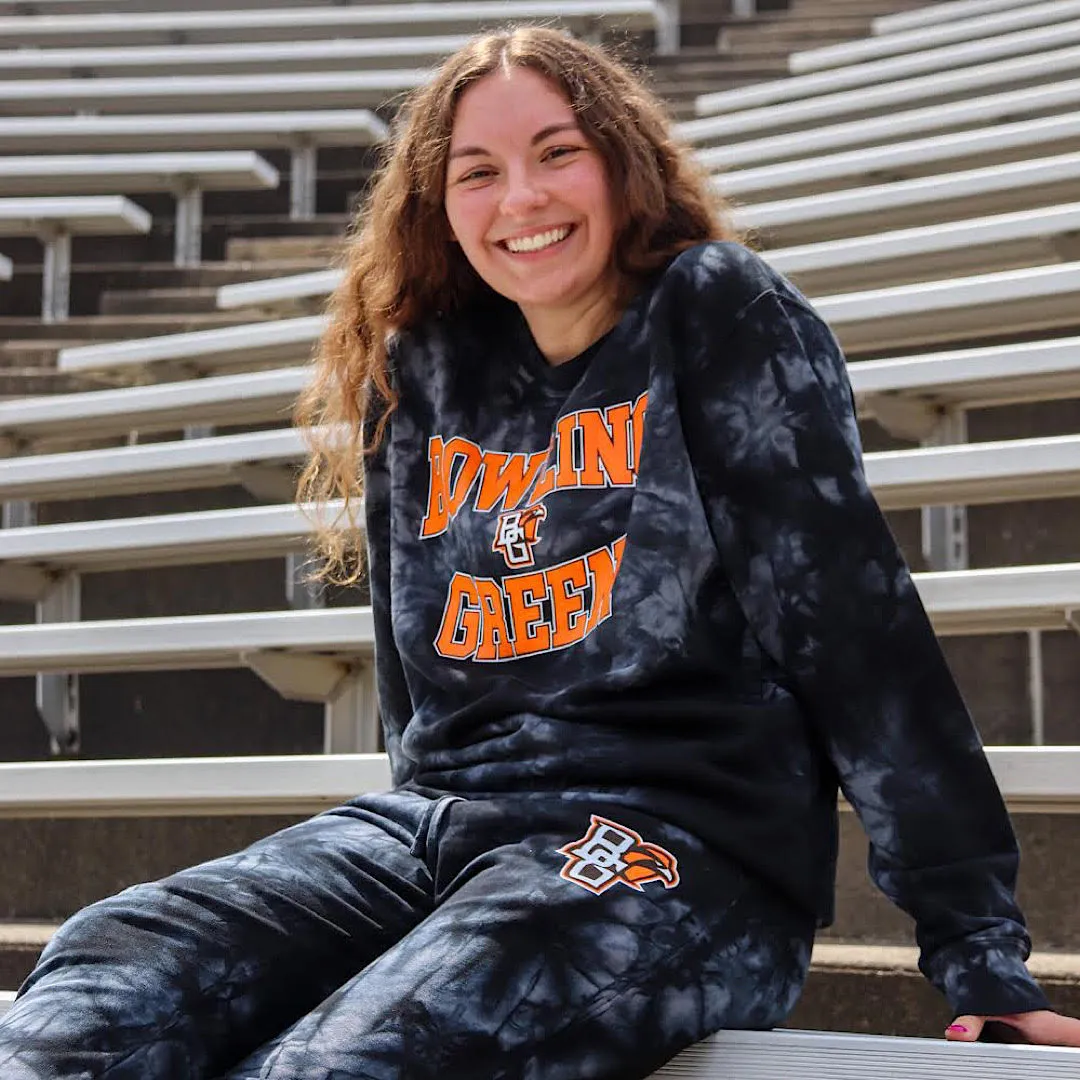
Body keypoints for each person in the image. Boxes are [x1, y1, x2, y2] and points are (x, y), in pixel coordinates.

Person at [2, 25, 1079, 1080]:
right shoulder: (421, 373)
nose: (521, 199)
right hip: (439, 832)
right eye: (479, 171)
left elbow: (859, 637)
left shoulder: (713, 312)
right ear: (438, 207)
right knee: (103, 978)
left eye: (557, 152)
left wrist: (978, 954)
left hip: (674, 855)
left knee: (345, 1064)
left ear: (623, 168)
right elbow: (408, 687)